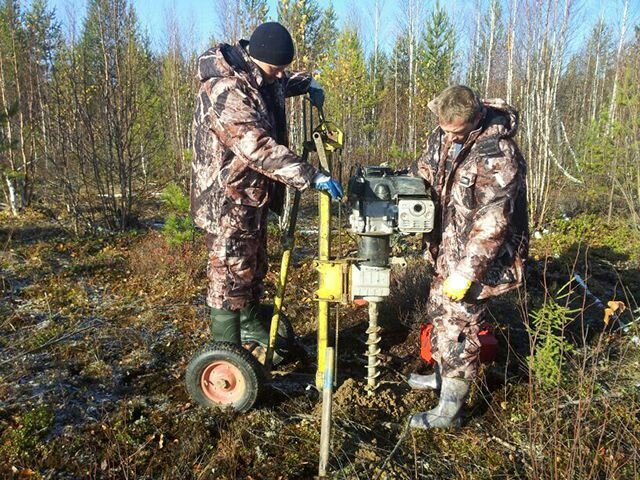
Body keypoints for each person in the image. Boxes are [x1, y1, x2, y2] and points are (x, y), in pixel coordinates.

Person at [190, 22, 342, 357]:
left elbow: (278, 81)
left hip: (251, 193)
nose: (279, 75)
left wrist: (308, 82)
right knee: (228, 272)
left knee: (252, 265)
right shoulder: (226, 90)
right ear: (257, 58)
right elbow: (255, 147)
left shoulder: (260, 74)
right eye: (276, 68)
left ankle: (252, 327)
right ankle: (226, 352)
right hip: (226, 196)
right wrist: (310, 176)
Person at [408, 85, 529, 428]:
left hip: (478, 258)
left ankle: (450, 410)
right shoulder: (443, 134)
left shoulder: (497, 153)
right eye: (443, 128)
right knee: (439, 313)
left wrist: (467, 271)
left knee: (461, 325)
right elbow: (425, 172)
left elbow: (494, 221)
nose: (447, 135)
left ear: (474, 121)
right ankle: (440, 376)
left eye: (455, 131)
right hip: (446, 246)